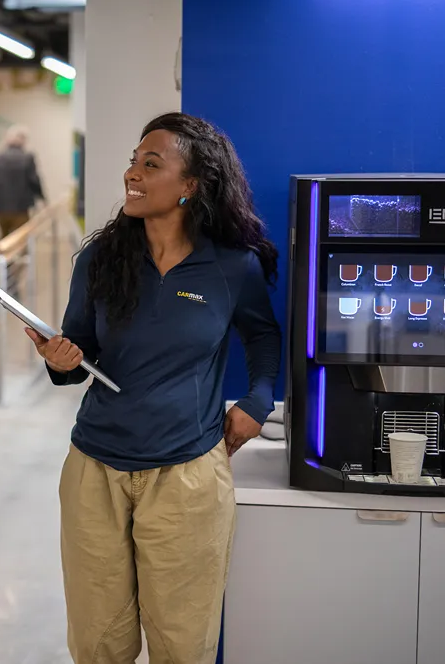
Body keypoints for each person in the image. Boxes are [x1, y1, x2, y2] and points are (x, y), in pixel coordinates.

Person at [26, 112, 281, 664]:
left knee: (183, 646)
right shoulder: (99, 260)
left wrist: (257, 403)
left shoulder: (232, 267)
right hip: (95, 472)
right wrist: (61, 359)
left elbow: (263, 338)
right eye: (133, 161)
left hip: (187, 475)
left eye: (151, 164)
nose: (131, 174)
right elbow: (77, 355)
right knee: (98, 645)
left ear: (191, 185)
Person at [0, 124, 46, 238]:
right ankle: (21, 256)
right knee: (20, 239)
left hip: (0, 206)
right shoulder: (27, 158)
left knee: (4, 238)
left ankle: (3, 256)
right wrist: (42, 197)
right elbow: (34, 180)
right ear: (23, 140)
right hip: (21, 207)